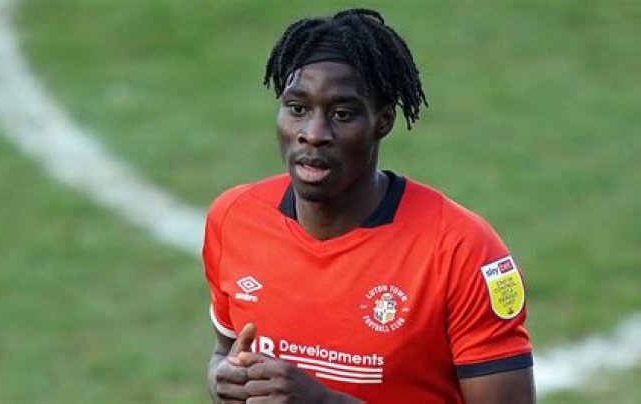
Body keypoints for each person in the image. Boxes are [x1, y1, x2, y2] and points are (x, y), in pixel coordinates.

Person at [203, 8, 535, 403]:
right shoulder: (234, 217)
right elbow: (225, 352)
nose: (313, 134)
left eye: (342, 114)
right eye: (297, 108)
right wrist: (223, 380)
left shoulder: (461, 250)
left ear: (383, 121)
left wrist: (325, 402)